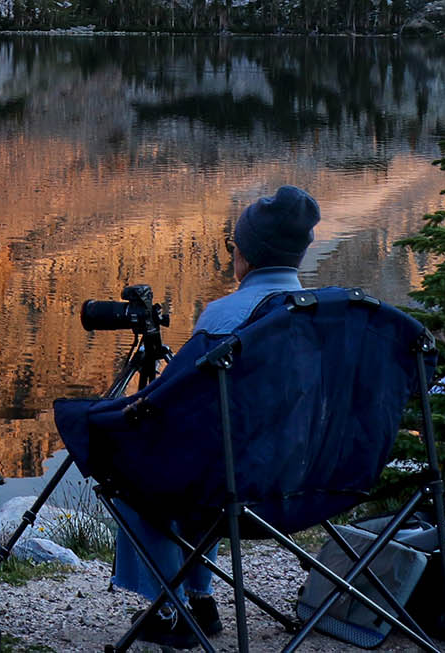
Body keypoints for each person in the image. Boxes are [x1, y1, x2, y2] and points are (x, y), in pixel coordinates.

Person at [113, 184, 321, 647]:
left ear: (246, 254)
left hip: (240, 491)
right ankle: (198, 599)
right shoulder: (327, 315)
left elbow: (174, 402)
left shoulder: (228, 316)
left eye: (234, 246)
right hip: (315, 482)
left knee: (138, 465)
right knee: (216, 455)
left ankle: (172, 607)